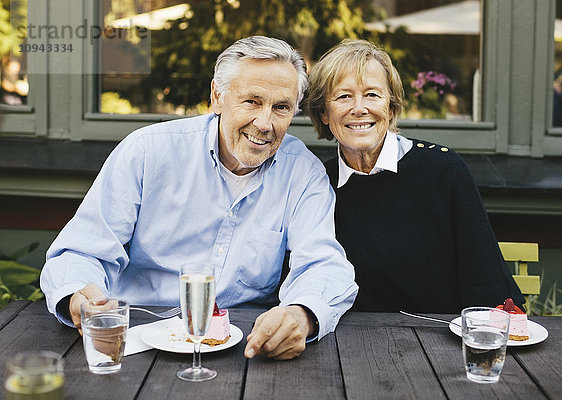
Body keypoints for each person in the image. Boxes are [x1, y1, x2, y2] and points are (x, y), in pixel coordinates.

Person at [40, 36, 358, 360]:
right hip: (135, 342)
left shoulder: (303, 172)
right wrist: (78, 296)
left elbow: (324, 266)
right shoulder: (147, 152)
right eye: (251, 101)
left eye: (281, 108)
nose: (265, 124)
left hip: (241, 349)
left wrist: (301, 315)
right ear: (217, 97)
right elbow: (81, 253)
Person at [305, 39, 524, 313]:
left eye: (372, 94)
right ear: (324, 113)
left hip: (438, 344)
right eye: (343, 96)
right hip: (347, 345)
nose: (358, 108)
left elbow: (485, 281)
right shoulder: (316, 184)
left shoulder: (443, 170)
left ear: (392, 108)